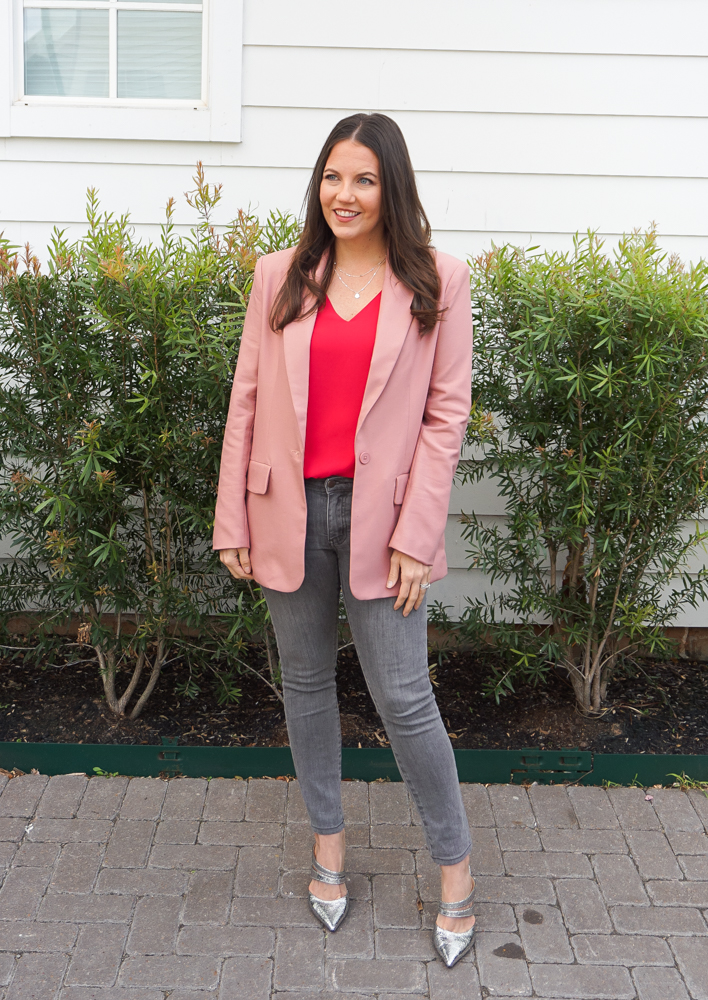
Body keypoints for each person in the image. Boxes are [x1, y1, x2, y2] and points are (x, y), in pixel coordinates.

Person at [213, 112, 475, 968]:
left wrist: (416, 535)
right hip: (287, 510)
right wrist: (232, 519)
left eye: (364, 179)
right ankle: (328, 849)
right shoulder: (279, 275)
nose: (345, 195)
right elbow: (246, 400)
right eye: (332, 176)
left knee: (404, 698)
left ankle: (455, 867)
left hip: (385, 521)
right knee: (305, 684)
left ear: (390, 187)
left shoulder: (438, 279)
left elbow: (445, 417)